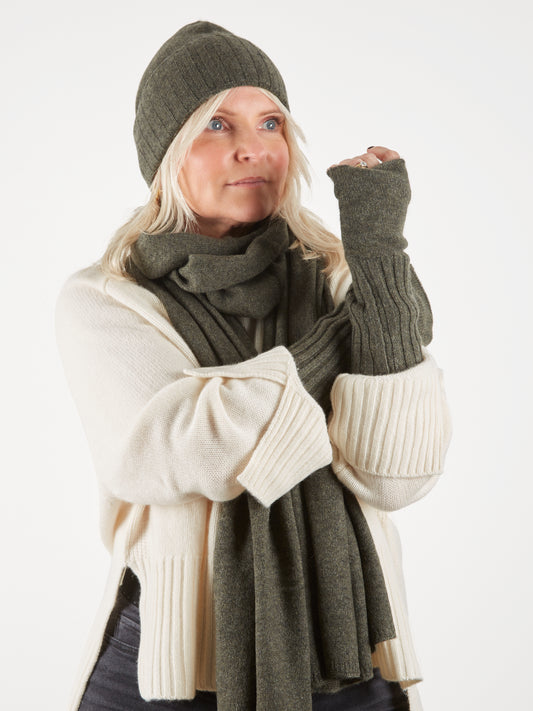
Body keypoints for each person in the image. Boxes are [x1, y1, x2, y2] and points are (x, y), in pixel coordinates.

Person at [55, 21, 451, 711]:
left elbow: (397, 471)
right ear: (166, 153)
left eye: (270, 121)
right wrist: (338, 346)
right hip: (173, 663)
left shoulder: (341, 278)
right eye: (216, 122)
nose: (250, 147)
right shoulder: (107, 300)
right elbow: (174, 447)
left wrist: (378, 251)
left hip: (348, 652)